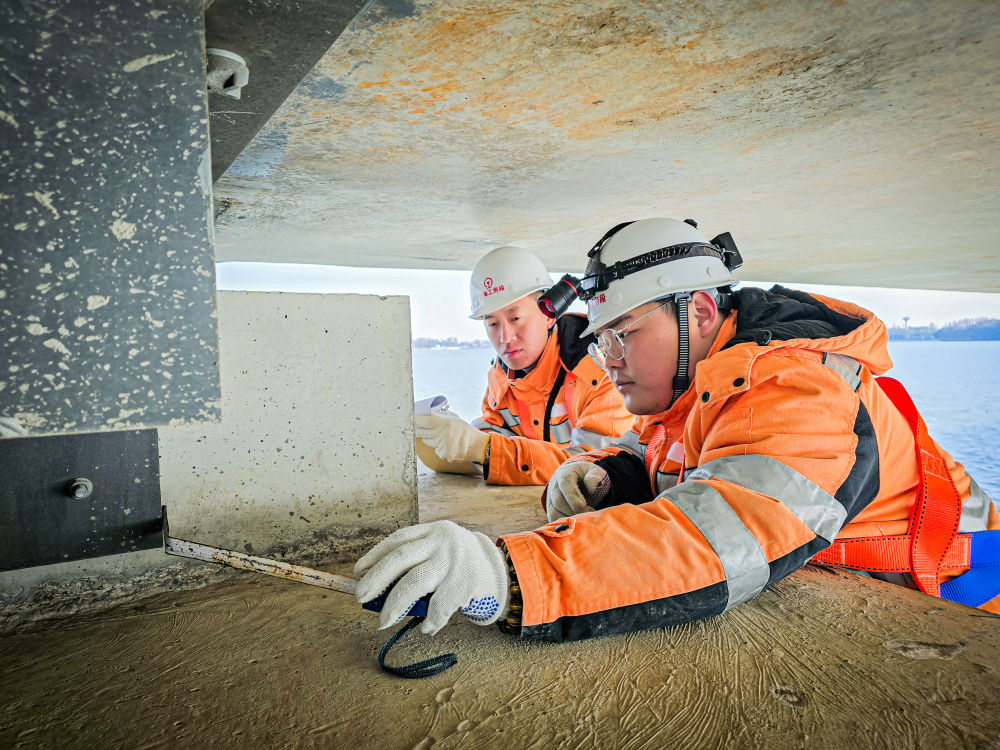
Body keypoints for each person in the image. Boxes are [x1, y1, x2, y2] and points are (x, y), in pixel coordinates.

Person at [358, 218, 1000, 640]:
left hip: (962, 589)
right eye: (602, 340)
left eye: (624, 335)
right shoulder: (698, 382)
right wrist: (609, 477)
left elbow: (715, 540)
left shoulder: (797, 388)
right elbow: (662, 455)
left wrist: (507, 573)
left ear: (697, 311)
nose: (608, 360)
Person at [414, 245, 634, 485]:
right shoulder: (501, 375)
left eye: (515, 318)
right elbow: (493, 430)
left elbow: (593, 468)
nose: (505, 338)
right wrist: (458, 436)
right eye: (493, 324)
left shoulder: (603, 370)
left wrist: (485, 449)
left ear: (549, 314)